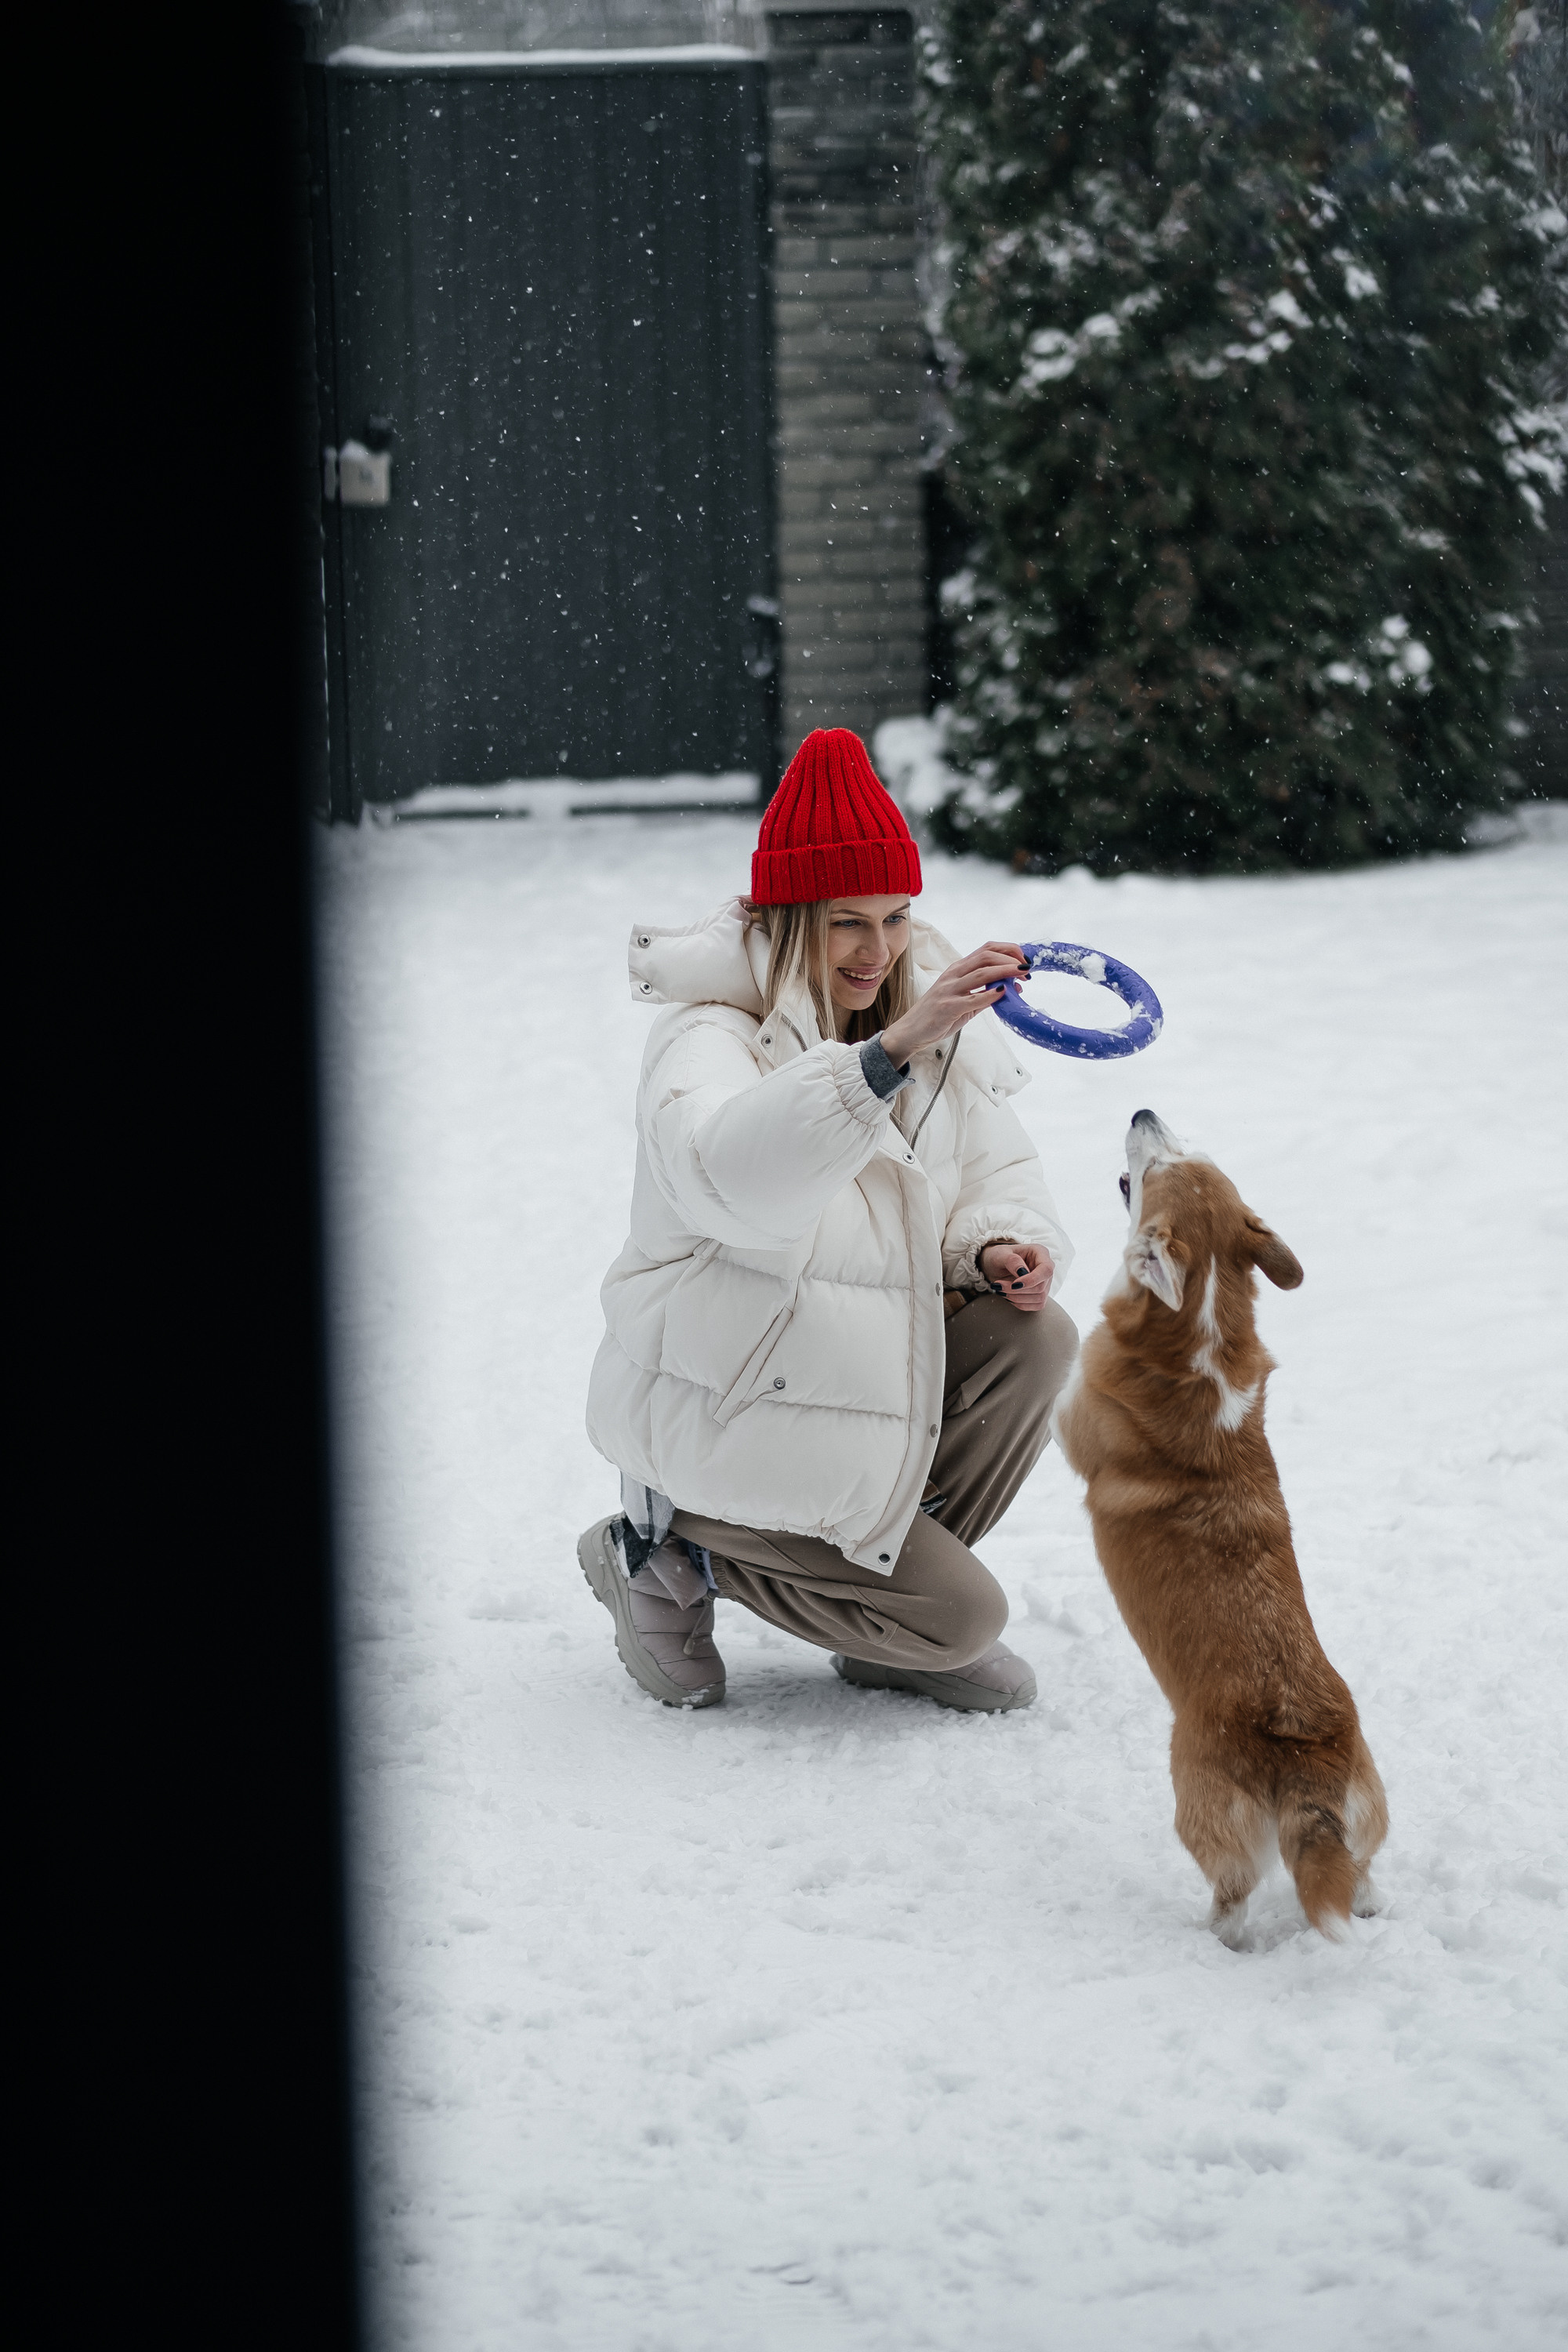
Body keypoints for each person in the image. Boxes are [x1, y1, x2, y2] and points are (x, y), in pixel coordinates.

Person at [581, 728, 1078, 1713]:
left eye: (894, 918)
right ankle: (665, 1547)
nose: (876, 949)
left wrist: (997, 1245)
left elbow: (992, 1169)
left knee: (1034, 1335)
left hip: (832, 1393)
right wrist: (884, 1055)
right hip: (725, 1407)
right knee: (966, 1622)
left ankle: (882, 1613)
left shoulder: (920, 1024)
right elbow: (736, 1181)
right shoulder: (707, 1036)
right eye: (846, 921)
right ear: (785, 919)